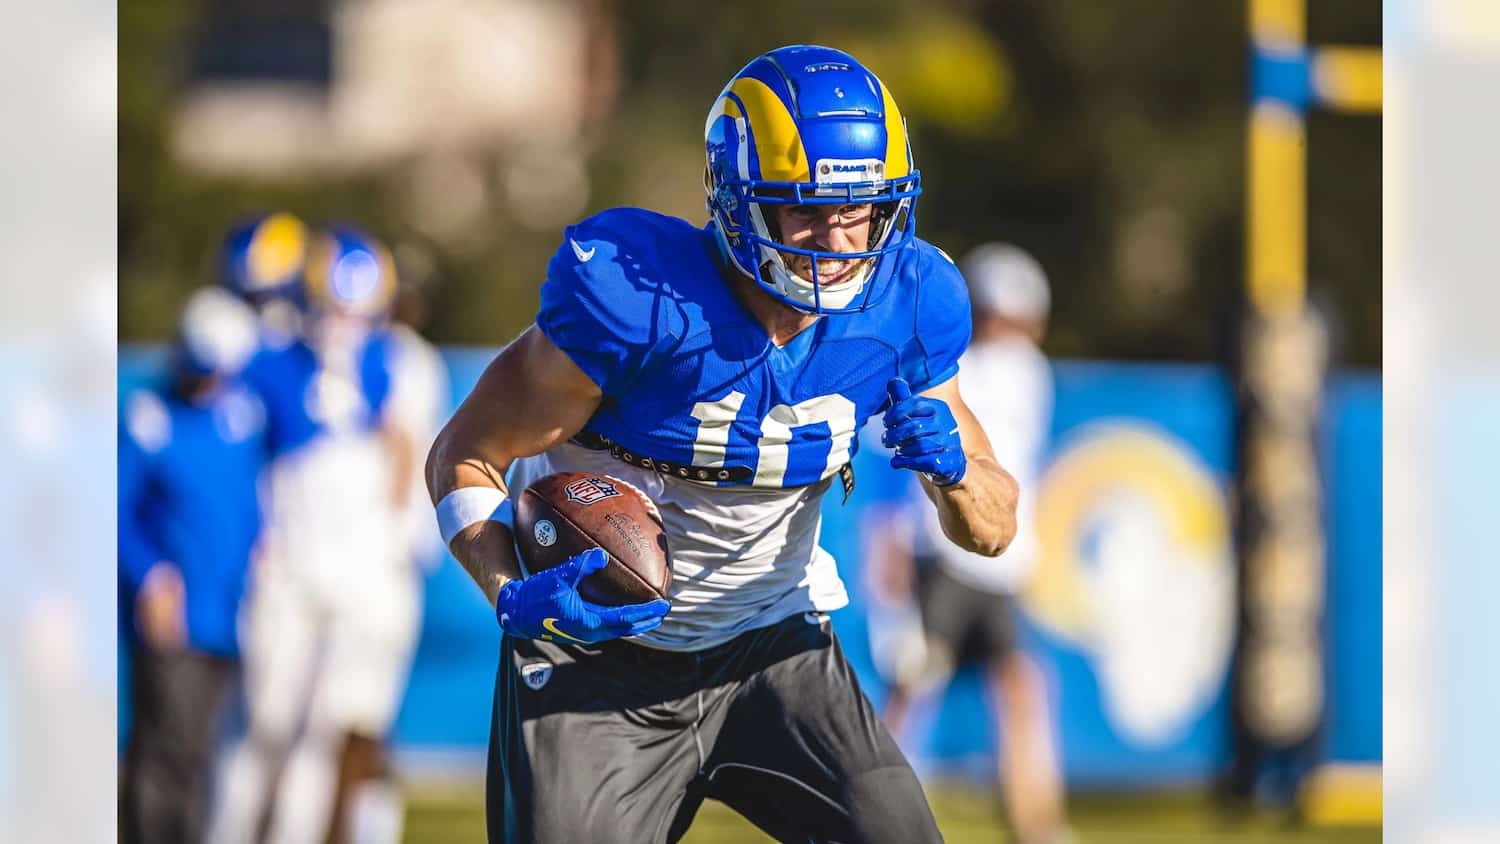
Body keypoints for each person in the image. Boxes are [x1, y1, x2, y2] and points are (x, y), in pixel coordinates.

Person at [426, 44, 1021, 843]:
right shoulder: (639, 298)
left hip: (775, 649)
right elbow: (465, 454)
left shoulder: (910, 303)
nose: (840, 244)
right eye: (806, 210)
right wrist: (506, 588)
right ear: (738, 202)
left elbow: (992, 529)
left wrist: (952, 472)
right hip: (600, 659)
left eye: (860, 210)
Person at [209, 227, 424, 844]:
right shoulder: (270, 360)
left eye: (356, 313)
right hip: (288, 566)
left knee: (321, 733)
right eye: (334, 309)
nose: (343, 326)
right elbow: (246, 459)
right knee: (261, 724)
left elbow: (402, 447)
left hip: (353, 568)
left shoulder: (394, 362)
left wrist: (387, 543)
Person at [866, 243, 1070, 844]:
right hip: (949, 553)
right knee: (917, 686)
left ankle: (1035, 823)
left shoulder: (1023, 373)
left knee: (1017, 689)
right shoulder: (966, 371)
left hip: (994, 563)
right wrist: (897, 552)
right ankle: (868, 803)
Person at [119, 287, 267, 844]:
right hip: (172, 613)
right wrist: (149, 574)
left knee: (205, 751)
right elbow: (116, 509)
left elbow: (246, 500)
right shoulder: (149, 417)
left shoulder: (242, 412)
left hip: (228, 610)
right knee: (166, 751)